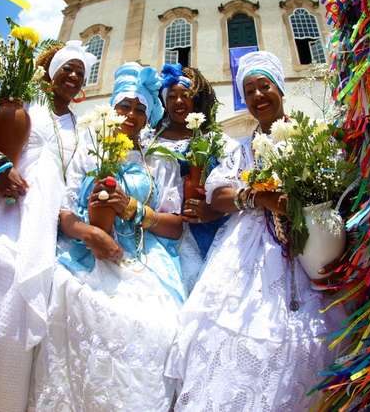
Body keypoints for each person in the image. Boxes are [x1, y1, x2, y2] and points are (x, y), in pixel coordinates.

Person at [166, 51, 345, 411]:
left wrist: (299, 202)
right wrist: (258, 198)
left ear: (279, 87)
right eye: (249, 91)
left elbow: (333, 188)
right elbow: (218, 196)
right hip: (245, 253)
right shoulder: (241, 149)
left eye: (264, 86)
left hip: (305, 247)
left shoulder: (312, 139)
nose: (258, 96)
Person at [0, 41, 96, 412]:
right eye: (68, 68)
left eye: (80, 72)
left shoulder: (80, 128)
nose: (74, 76)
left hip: (45, 212)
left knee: (25, 291)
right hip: (3, 196)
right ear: (51, 72)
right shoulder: (26, 99)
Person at [30, 63, 185, 411]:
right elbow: (65, 210)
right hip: (85, 252)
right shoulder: (87, 149)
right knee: (69, 299)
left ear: (148, 119)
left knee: (158, 326)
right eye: (125, 106)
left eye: (140, 109)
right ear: (112, 108)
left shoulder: (160, 162)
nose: (131, 115)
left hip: (144, 256)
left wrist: (133, 210)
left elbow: (175, 225)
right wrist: (90, 234)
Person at [144, 63, 228, 293]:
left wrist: (212, 209)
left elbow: (229, 183)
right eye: (172, 96)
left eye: (186, 96)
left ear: (195, 101)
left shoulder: (213, 140)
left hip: (198, 232)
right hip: (154, 227)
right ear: (164, 101)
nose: (179, 101)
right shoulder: (148, 140)